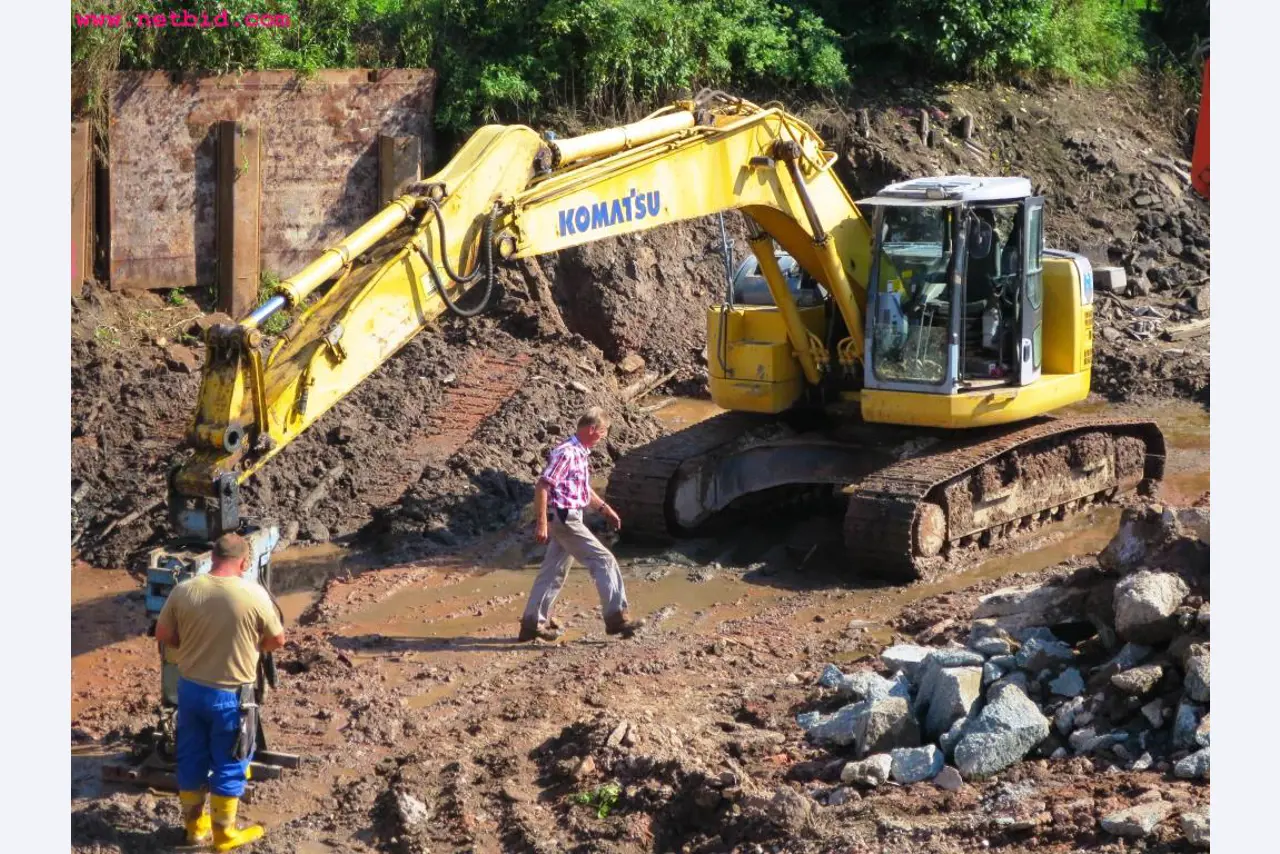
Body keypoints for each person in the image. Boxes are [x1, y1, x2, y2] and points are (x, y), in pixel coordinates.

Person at [154, 532, 286, 850]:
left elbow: (163, 634)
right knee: (231, 761)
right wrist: (254, 646)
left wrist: (191, 648)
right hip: (232, 698)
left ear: (212, 558)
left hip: (191, 690)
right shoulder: (253, 595)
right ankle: (224, 836)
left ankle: (194, 831)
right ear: (244, 561)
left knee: (190, 757)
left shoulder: (184, 590)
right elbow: (277, 640)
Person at [519, 407, 645, 642]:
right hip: (566, 519)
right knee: (604, 560)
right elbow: (543, 486)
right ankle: (617, 619)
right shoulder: (566, 452)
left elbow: (582, 490)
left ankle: (531, 624)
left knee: (553, 571)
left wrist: (605, 509)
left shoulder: (580, 453)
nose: (604, 437)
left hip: (568, 517)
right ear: (591, 429)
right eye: (603, 432)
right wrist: (542, 524)